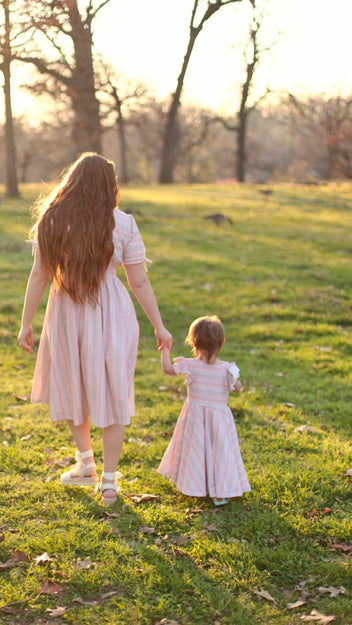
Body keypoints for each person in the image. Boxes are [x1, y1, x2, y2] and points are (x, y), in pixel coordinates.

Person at [18, 152, 172, 505]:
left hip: (67, 309)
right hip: (111, 311)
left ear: (71, 181)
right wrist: (159, 326)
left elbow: (40, 274)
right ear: (109, 186)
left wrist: (27, 321)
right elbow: (139, 283)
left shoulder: (52, 219)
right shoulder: (123, 223)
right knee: (112, 389)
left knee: (75, 385)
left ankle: (86, 463)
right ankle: (108, 480)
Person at [157, 315, 250, 505]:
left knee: (196, 450)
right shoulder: (227, 370)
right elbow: (238, 387)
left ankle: (196, 483)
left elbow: (167, 369)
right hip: (219, 419)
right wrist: (235, 382)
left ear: (193, 342)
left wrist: (165, 349)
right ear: (222, 342)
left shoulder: (189, 365)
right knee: (220, 452)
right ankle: (222, 490)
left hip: (195, 417)